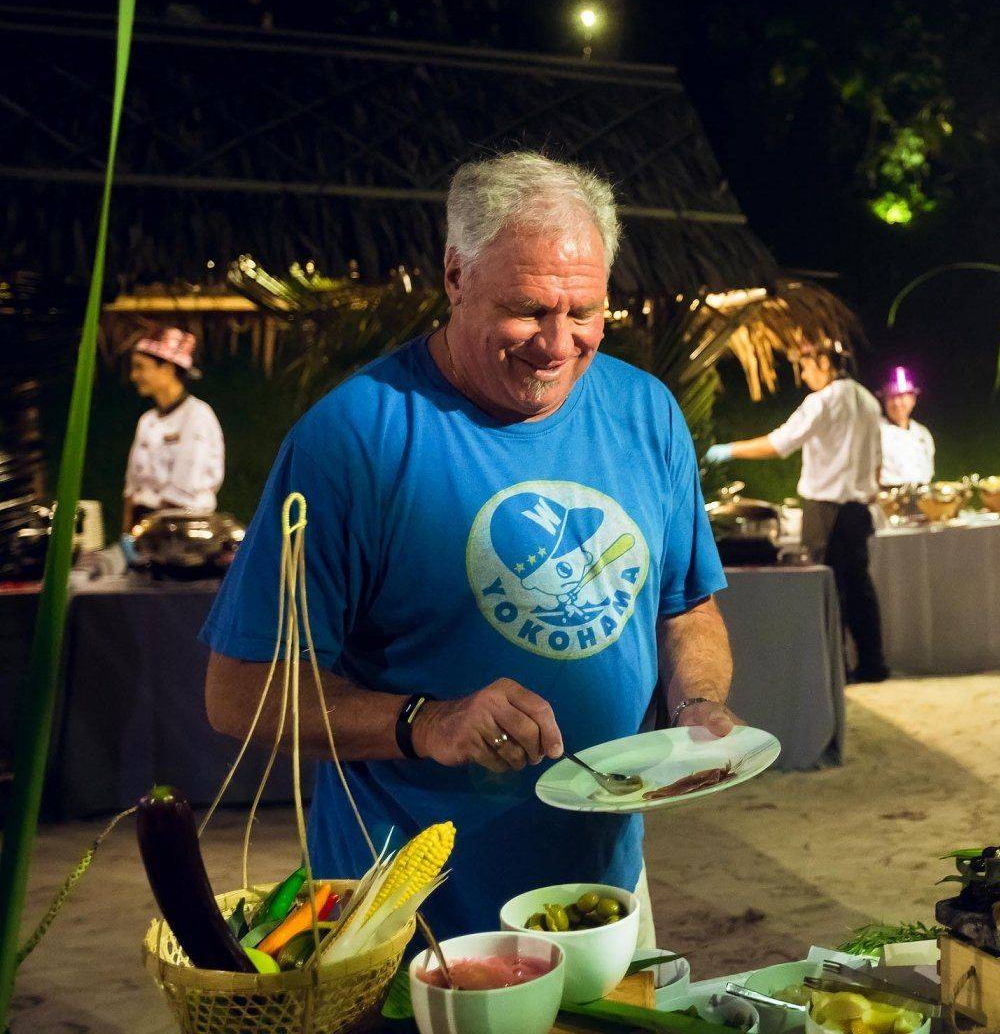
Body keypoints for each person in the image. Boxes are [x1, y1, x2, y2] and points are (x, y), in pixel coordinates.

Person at [202, 151, 738, 943]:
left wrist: (696, 706)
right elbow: (237, 693)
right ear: (455, 275)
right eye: (529, 310)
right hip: (402, 916)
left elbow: (686, 608)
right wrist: (427, 721)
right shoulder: (351, 439)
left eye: (584, 312)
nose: (558, 343)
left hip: (605, 894)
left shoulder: (646, 412)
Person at [707, 342, 888, 683]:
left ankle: (834, 670)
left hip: (826, 511)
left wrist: (728, 450)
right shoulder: (868, 400)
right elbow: (878, 463)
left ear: (824, 363)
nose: (804, 376)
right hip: (859, 510)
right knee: (860, 587)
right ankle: (873, 664)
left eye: (805, 367)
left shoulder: (822, 401)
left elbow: (780, 444)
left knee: (826, 588)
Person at [123, 327, 225, 530]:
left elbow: (183, 490)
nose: (134, 376)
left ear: (168, 368)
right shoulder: (147, 420)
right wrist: (127, 534)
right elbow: (132, 488)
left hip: (183, 529)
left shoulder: (197, 415)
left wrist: (149, 532)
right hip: (145, 528)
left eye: (140, 367)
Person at [878, 366, 935, 488]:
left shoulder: (922, 433)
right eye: (891, 397)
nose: (897, 403)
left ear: (913, 399)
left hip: (921, 494)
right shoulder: (875, 431)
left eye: (901, 396)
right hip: (887, 495)